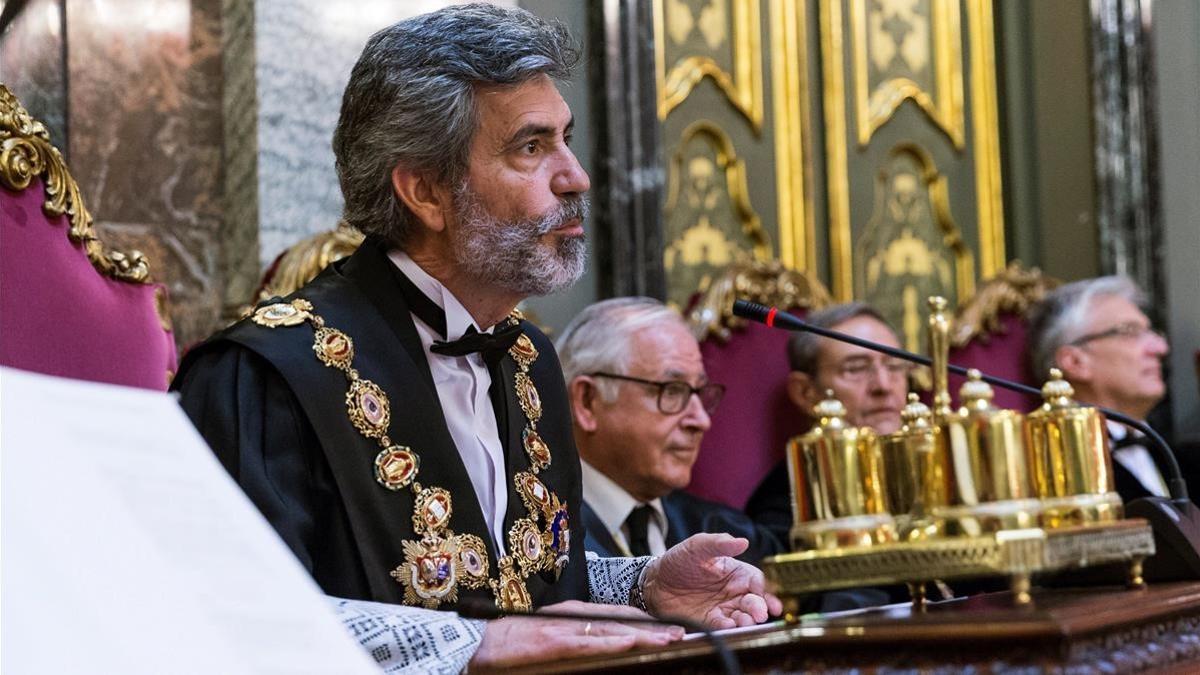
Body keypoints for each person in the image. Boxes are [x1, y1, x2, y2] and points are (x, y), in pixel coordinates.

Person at [173, 5, 778, 673]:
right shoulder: (265, 374)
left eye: (565, 139)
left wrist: (644, 587)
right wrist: (473, 645)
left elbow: (526, 583)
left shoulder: (527, 357)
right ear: (425, 191)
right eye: (531, 146)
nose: (574, 175)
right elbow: (231, 616)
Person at [556, 297, 784, 565]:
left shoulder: (720, 533)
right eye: (672, 391)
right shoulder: (539, 535)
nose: (700, 420)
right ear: (587, 401)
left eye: (699, 392)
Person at [745, 303, 909, 545]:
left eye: (895, 366)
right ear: (806, 392)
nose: (884, 385)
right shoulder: (783, 507)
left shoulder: (936, 468)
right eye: (856, 369)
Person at [1027, 276, 1172, 501]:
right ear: (1075, 362)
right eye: (1130, 331)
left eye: (1152, 332)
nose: (1160, 347)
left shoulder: (1179, 458)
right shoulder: (1050, 472)